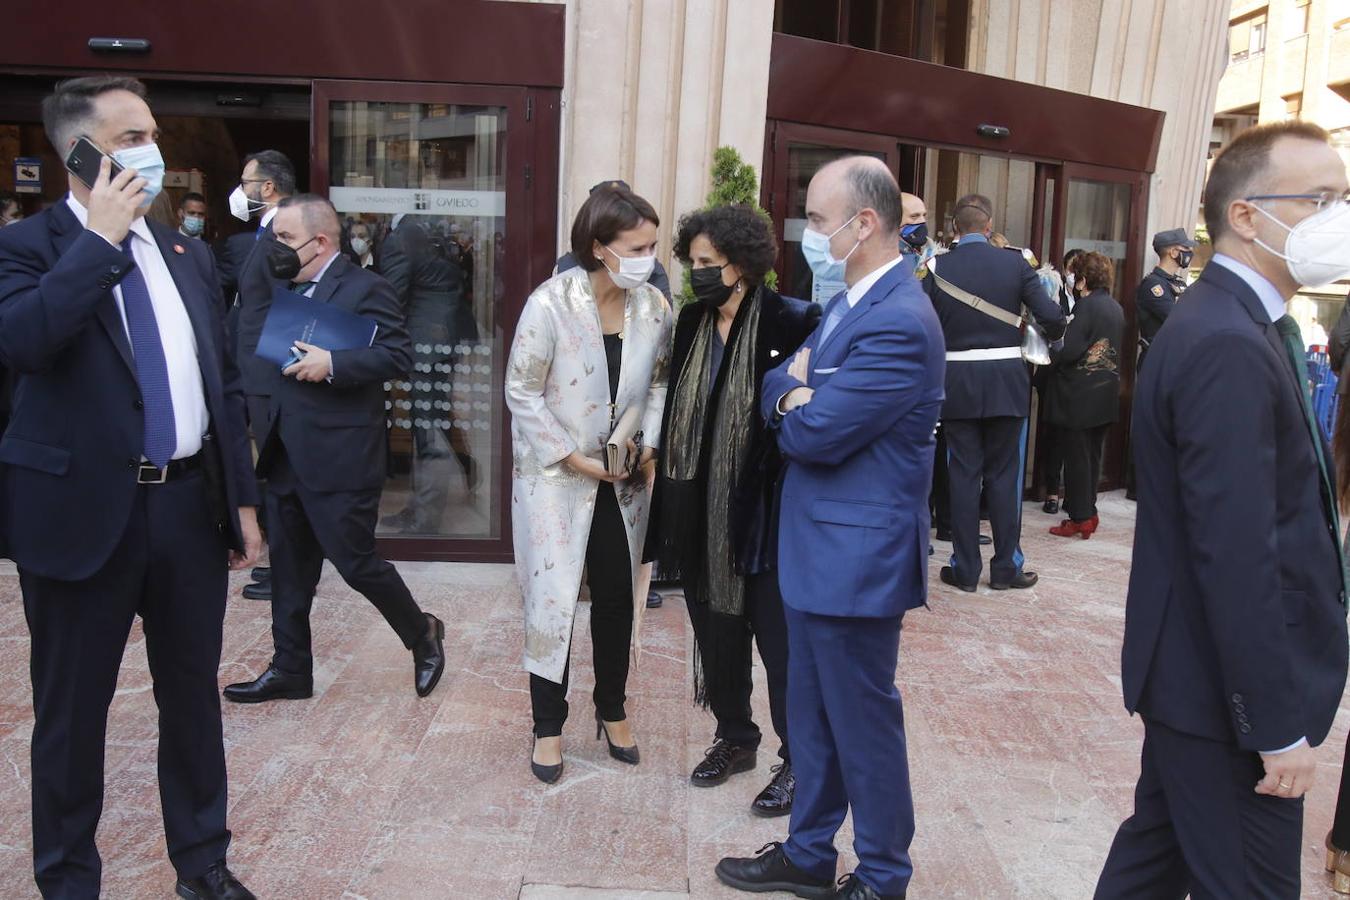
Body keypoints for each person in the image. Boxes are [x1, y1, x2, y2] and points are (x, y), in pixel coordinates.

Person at [0, 75, 261, 900]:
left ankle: (203, 862)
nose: (148, 150)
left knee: (193, 698)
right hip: (82, 517)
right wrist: (99, 243)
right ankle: (69, 879)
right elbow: (28, 342)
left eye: (151, 133)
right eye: (126, 138)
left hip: (186, 506)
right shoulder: (28, 247)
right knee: (73, 715)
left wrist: (242, 501)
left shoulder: (183, 250)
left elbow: (220, 382)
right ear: (75, 150)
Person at [1095, 120, 1350, 899]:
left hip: (1194, 685)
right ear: (1246, 214)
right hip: (1223, 702)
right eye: (1322, 199)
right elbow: (1237, 553)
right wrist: (1274, 726)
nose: (1339, 218)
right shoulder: (1226, 341)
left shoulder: (1240, 323)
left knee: (1152, 865)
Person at [715, 156, 944, 900]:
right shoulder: (851, 300)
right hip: (817, 550)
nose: (808, 235)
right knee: (812, 721)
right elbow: (778, 386)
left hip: (857, 561)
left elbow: (816, 435)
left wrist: (797, 397)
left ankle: (882, 876)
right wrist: (796, 389)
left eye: (818, 221)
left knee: (862, 725)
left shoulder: (901, 319)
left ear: (865, 223)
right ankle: (810, 854)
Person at [222, 195, 446, 704]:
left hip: (342, 456)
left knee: (356, 561)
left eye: (283, 239)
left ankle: (422, 634)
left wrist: (336, 363)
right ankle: (290, 670)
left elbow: (398, 355)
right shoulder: (279, 286)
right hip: (283, 449)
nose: (273, 248)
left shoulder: (368, 287)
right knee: (289, 570)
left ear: (320, 242)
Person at [649, 204, 819, 816]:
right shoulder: (692, 321)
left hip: (768, 518)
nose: (695, 273)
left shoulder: (793, 320)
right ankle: (735, 737)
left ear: (742, 264)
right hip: (700, 514)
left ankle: (799, 761)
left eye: (705, 263)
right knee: (717, 635)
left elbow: (807, 414)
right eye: (690, 262)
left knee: (781, 648)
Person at [505, 183, 672, 784]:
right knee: (552, 601)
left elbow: (658, 385)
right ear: (600, 247)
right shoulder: (550, 303)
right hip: (556, 479)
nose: (649, 258)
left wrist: (646, 443)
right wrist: (573, 459)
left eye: (653, 246)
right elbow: (520, 391)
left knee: (618, 596)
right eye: (638, 246)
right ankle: (546, 725)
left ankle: (612, 708)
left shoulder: (654, 307)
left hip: (623, 478)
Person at [923, 193, 1066, 592]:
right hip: (1007, 383)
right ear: (989, 228)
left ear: (954, 229)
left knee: (963, 476)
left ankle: (965, 569)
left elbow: (921, 325)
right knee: (1005, 477)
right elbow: (1053, 318)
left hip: (957, 387)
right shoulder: (1015, 263)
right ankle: (1006, 568)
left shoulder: (935, 267)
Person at [219, 150, 296, 602]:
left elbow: (282, 307)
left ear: (266, 187)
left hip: (267, 374)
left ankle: (289, 567)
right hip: (251, 370)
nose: (241, 189)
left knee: (278, 474)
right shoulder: (263, 232)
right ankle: (284, 564)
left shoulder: (285, 234)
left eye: (245, 180)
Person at [377, 214, 478, 534]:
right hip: (442, 342)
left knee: (428, 431)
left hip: (423, 346)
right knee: (434, 422)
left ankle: (426, 519)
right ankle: (427, 501)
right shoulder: (434, 237)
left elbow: (391, 298)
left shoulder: (402, 239)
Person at [1042, 251, 1123, 540]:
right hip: (1105, 393)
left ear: (1083, 279)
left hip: (1079, 396)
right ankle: (1089, 511)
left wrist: (1052, 347)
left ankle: (1080, 517)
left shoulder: (1087, 307)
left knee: (1077, 459)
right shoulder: (1115, 307)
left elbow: (1070, 350)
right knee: (1092, 457)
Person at [1039, 247, 1083, 515]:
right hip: (1053, 374)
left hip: (1077, 379)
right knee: (1052, 437)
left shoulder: (1088, 303)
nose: (1073, 275)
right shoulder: (1054, 295)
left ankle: (1070, 491)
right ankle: (1051, 491)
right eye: (1070, 269)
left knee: (1072, 438)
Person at [898, 191, 937, 275]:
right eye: (914, 216)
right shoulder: (887, 258)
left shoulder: (913, 253)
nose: (922, 220)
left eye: (924, 215)